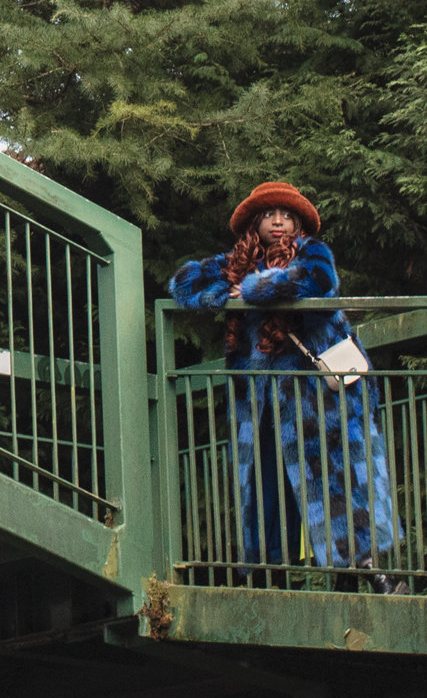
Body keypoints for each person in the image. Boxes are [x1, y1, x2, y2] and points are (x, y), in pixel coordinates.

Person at [169, 180, 405, 587]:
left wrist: (258, 288)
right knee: (265, 485)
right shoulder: (238, 262)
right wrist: (229, 285)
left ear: (298, 223)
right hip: (260, 399)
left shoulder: (311, 252)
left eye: (287, 216)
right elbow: (184, 284)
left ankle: (370, 574)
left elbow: (320, 281)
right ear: (254, 224)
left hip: (320, 397)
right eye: (269, 215)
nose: (278, 222)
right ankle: (271, 576)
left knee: (339, 481)